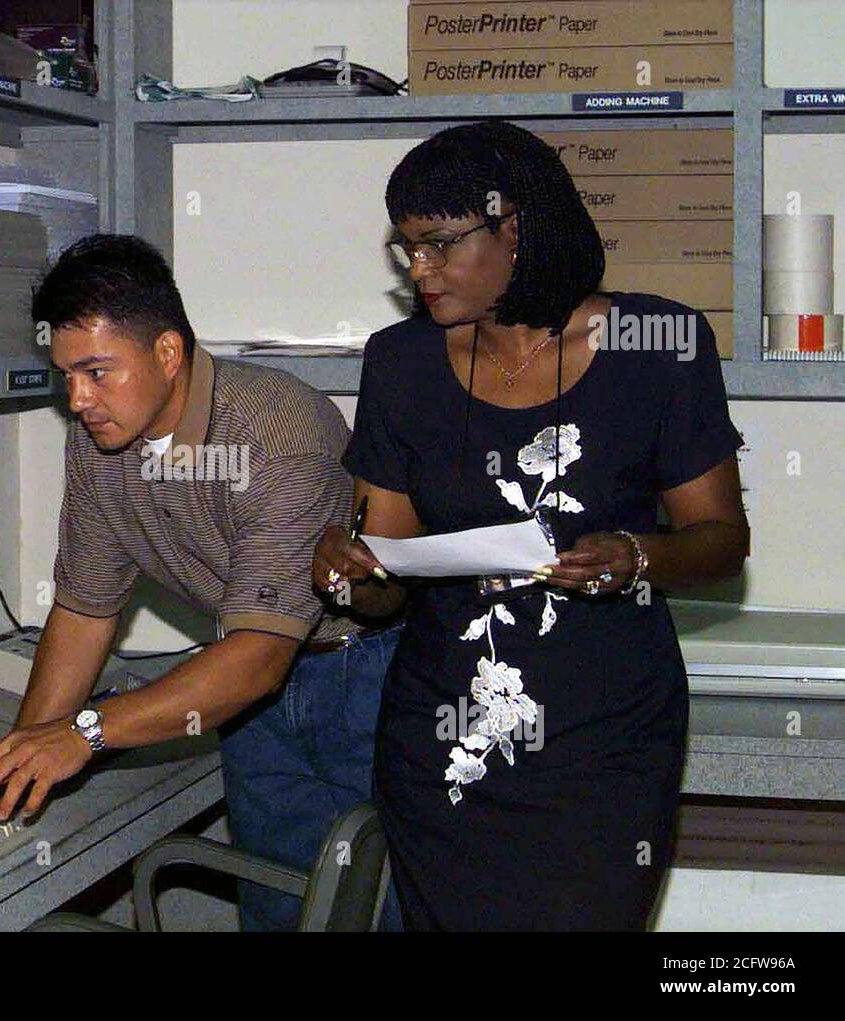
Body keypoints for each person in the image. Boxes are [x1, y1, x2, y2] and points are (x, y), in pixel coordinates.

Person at [313, 121, 749, 931]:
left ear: (513, 228)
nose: (421, 269)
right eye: (406, 247)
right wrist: (352, 573)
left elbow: (722, 540)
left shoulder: (659, 347)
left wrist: (635, 556)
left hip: (604, 746)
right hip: (445, 741)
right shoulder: (400, 362)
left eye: (440, 243)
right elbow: (386, 587)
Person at [0, 234, 402, 931]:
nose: (77, 399)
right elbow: (84, 610)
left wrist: (81, 734)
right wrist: (18, 755)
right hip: (251, 690)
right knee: (282, 904)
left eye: (97, 371)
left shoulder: (275, 433)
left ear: (167, 353)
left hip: (366, 674)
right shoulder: (100, 443)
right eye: (65, 375)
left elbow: (259, 658)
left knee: (389, 900)